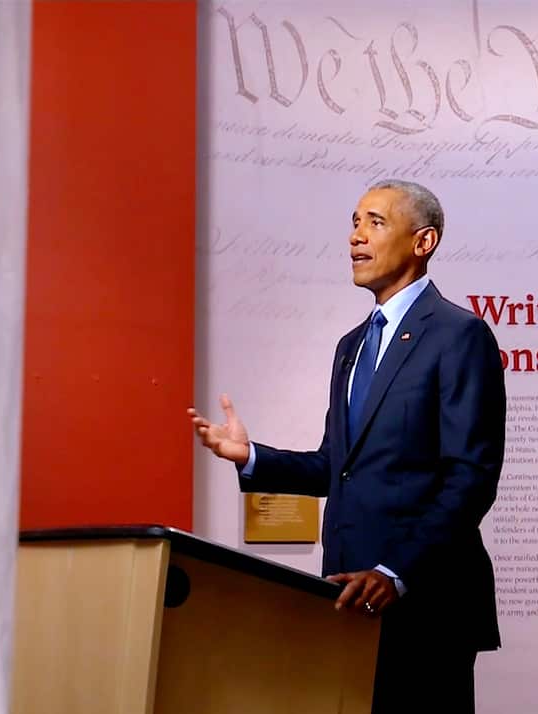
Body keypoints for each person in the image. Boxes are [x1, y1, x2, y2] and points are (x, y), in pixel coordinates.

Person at [188, 179, 505, 713]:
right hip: (345, 595)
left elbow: (470, 476)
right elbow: (336, 466)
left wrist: (395, 573)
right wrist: (251, 457)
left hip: (425, 603)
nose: (356, 237)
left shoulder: (460, 335)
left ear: (423, 242)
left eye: (375, 223)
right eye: (354, 223)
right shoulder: (351, 346)